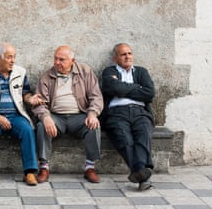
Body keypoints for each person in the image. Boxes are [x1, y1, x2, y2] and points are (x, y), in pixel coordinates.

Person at [0, 42, 42, 186]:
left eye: (14, 57)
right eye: (9, 57)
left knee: (27, 129)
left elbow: (25, 94)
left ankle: (29, 172)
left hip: (16, 115)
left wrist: (31, 99)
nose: (13, 61)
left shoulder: (20, 72)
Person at [32, 45, 103, 183]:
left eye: (62, 59)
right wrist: (46, 117)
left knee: (94, 126)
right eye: (55, 58)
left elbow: (96, 97)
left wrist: (92, 113)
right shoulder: (47, 76)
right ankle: (44, 167)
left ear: (72, 61)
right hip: (56, 116)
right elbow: (39, 103)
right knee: (42, 126)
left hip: (79, 115)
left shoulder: (85, 72)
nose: (57, 62)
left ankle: (90, 167)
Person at [100, 43, 155, 190]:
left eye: (129, 53)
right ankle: (143, 172)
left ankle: (139, 172)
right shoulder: (108, 71)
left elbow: (150, 93)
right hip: (117, 113)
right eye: (123, 54)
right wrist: (137, 88)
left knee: (144, 135)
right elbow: (114, 88)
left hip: (140, 112)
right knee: (125, 139)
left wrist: (123, 89)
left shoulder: (141, 72)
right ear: (115, 58)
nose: (127, 57)